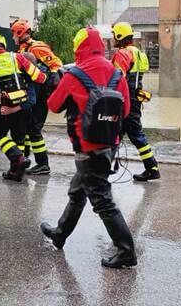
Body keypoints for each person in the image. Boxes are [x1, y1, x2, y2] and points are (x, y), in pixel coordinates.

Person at [41, 27, 137, 269]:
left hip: (86, 147)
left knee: (102, 200)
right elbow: (124, 111)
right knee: (78, 190)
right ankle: (61, 233)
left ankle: (126, 251)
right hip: (110, 144)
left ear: (79, 47)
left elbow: (53, 105)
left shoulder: (74, 75)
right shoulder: (117, 73)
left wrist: (60, 82)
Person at [0, 33, 47, 182]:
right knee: (19, 138)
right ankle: (16, 172)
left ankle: (17, 159)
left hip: (2, 107)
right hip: (21, 105)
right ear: (3, 43)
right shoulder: (17, 58)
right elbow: (40, 77)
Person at [10, 19, 63, 176]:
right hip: (32, 92)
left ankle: (43, 164)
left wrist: (48, 86)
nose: (13, 37)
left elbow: (56, 64)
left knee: (34, 128)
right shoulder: (22, 50)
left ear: (20, 33)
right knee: (26, 127)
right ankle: (24, 159)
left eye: (14, 33)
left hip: (41, 93)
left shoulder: (37, 47)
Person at [110, 22, 160, 181]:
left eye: (114, 35)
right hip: (135, 98)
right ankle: (103, 168)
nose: (112, 39)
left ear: (119, 36)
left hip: (124, 100)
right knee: (117, 134)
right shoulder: (139, 53)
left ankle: (152, 168)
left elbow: (117, 78)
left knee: (133, 134)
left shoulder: (122, 54)